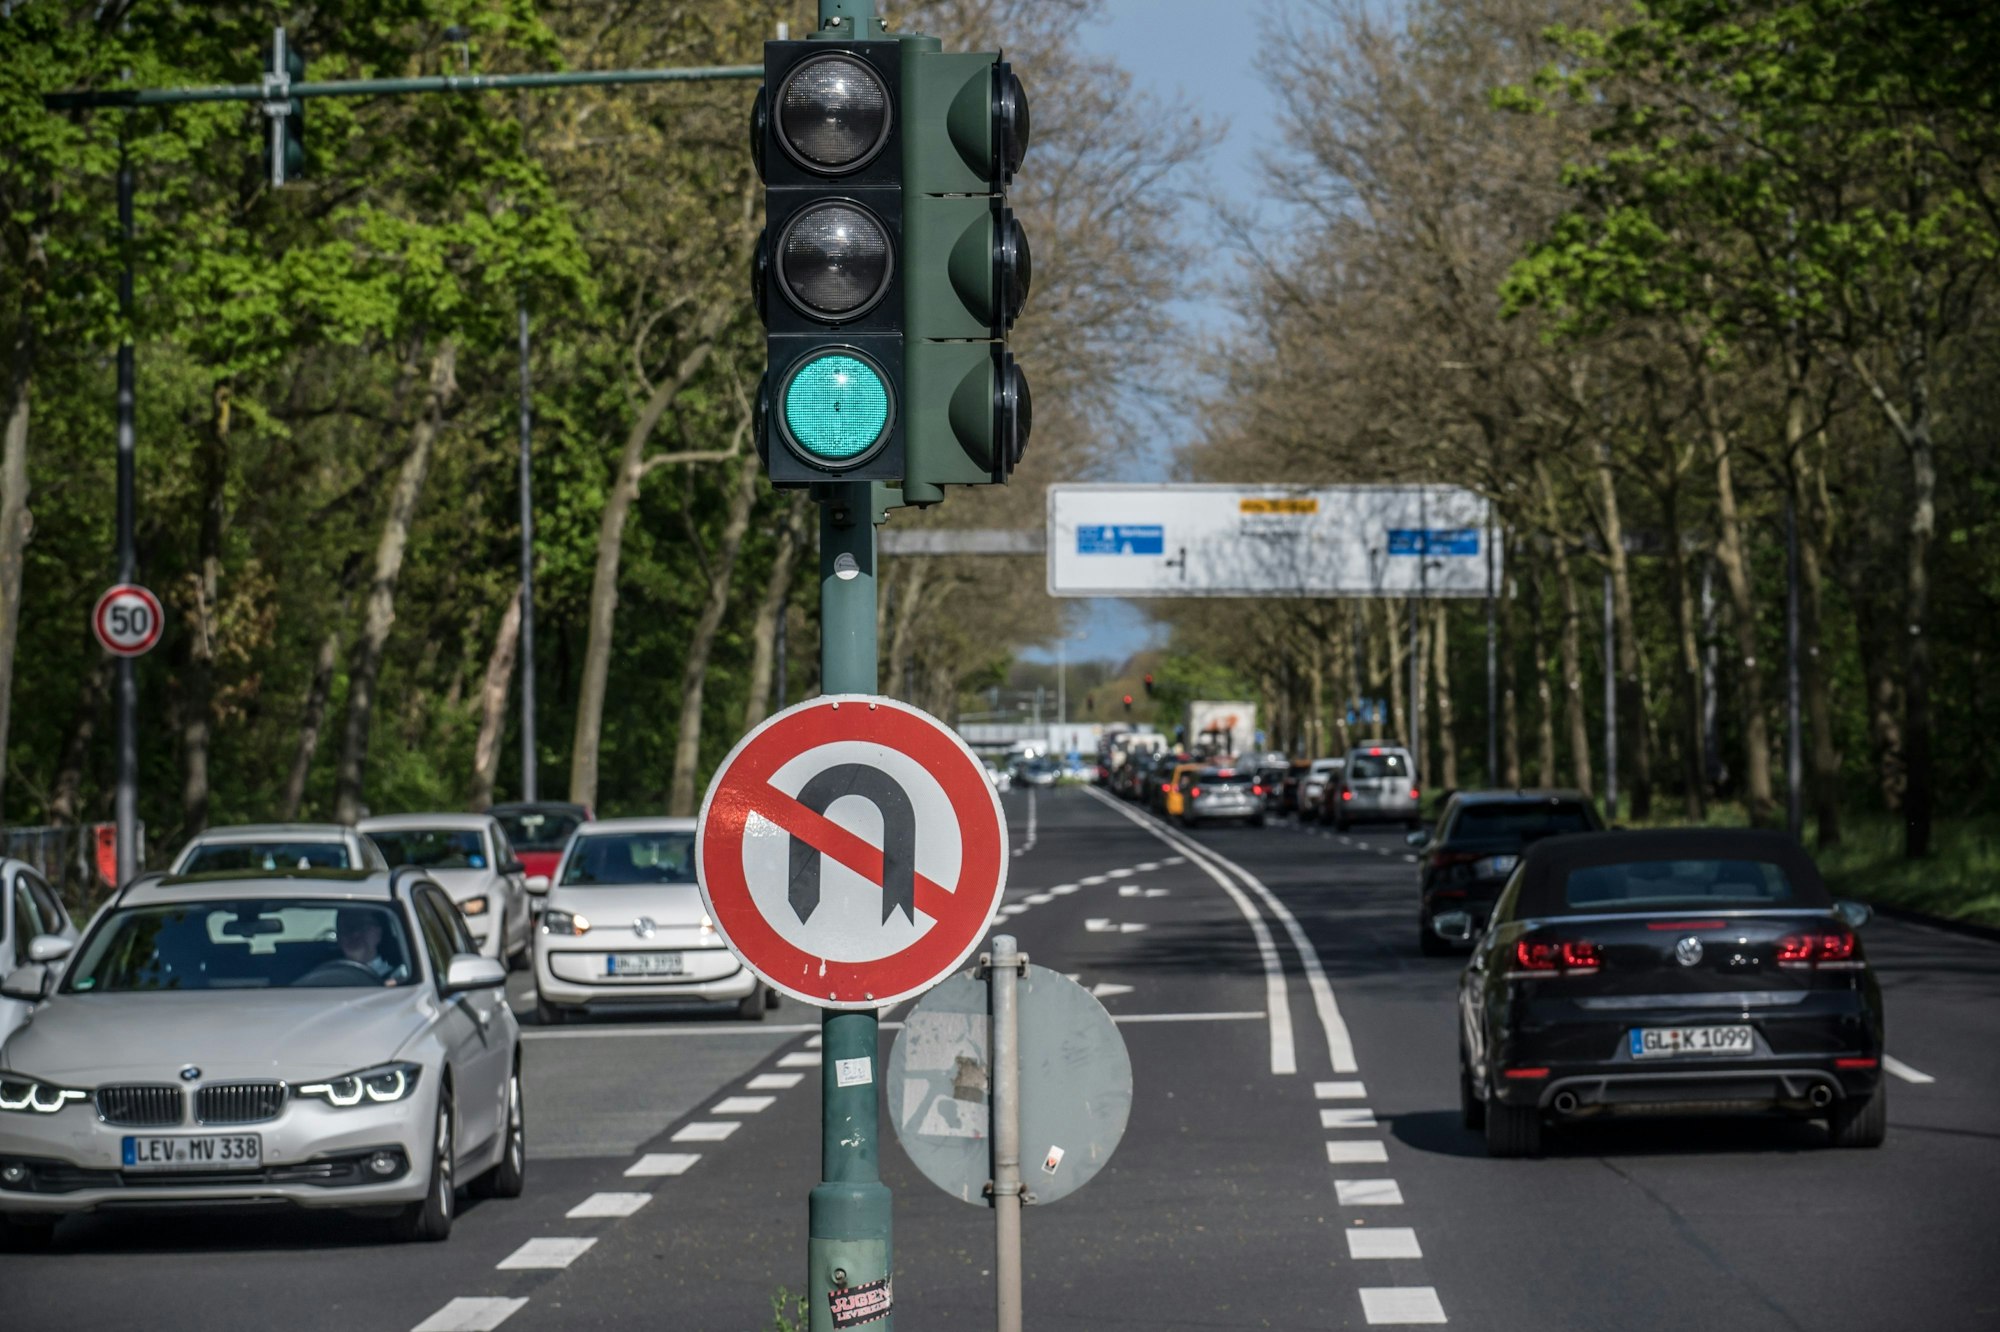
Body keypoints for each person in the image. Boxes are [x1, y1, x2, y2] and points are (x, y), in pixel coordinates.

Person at [335, 907, 407, 985]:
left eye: (362, 925)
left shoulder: (401, 975)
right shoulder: (326, 977)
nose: (355, 933)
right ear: (338, 936)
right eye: (346, 926)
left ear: (379, 932)